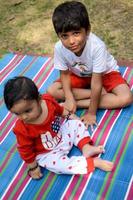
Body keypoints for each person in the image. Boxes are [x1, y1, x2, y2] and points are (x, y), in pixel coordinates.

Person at [4, 76, 113, 179]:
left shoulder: (48, 101)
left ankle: (86, 147)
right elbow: (25, 151)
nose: (23, 117)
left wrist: (71, 116)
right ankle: (92, 162)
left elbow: (60, 110)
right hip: (48, 153)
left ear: (39, 99)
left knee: (76, 123)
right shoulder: (22, 128)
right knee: (61, 167)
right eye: (17, 114)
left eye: (28, 111)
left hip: (62, 135)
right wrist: (33, 168)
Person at [47, 1, 133, 131]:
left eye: (76, 33)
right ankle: (96, 95)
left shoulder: (97, 46)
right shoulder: (59, 47)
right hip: (79, 74)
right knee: (52, 91)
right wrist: (69, 98)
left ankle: (81, 103)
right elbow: (64, 74)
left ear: (87, 30)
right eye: (64, 36)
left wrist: (91, 112)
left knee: (126, 98)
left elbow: (97, 81)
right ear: (58, 36)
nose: (71, 41)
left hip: (105, 74)